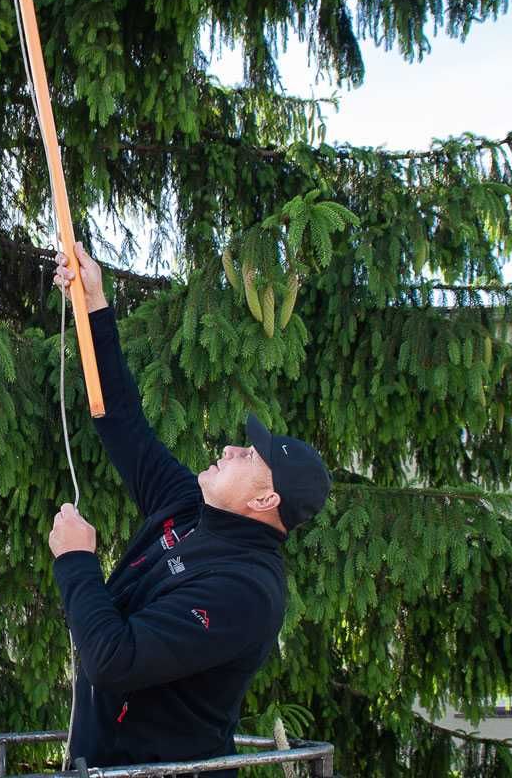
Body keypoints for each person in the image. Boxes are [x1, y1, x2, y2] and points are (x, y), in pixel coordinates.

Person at [49, 244, 332, 776]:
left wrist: (76, 562)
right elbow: (123, 424)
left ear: (266, 500)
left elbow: (114, 659)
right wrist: (93, 305)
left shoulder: (247, 591)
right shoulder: (188, 506)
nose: (230, 449)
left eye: (249, 455)